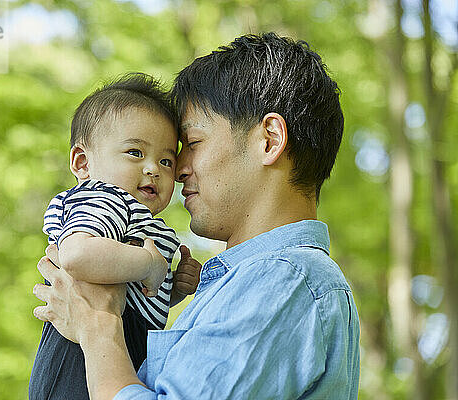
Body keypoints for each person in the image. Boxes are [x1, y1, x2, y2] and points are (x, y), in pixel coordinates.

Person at [33, 32, 361, 399]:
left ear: (268, 140)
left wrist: (97, 328)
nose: (179, 169)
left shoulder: (281, 279)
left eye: (192, 144)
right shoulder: (258, 283)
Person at [29, 73, 202, 400]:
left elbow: (139, 296)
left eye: (166, 160)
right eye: (135, 152)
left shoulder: (139, 219)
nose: (153, 168)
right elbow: (77, 256)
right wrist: (149, 264)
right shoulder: (103, 197)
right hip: (76, 358)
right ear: (83, 163)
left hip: (116, 351)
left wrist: (172, 289)